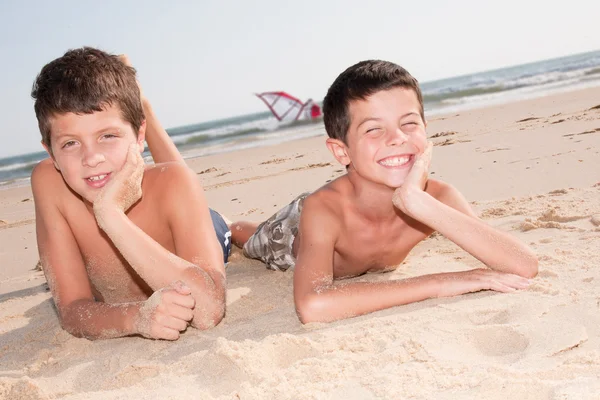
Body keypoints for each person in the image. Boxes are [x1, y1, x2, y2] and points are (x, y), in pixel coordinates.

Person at [231, 60, 538, 324]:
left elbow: (521, 264)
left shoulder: (438, 198)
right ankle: (228, 223)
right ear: (341, 152)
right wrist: (446, 281)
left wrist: (419, 203)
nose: (397, 138)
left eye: (409, 123)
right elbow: (312, 305)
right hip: (291, 231)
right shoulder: (324, 210)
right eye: (373, 129)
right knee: (247, 235)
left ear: (426, 128)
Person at [31, 47, 230, 340]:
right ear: (51, 153)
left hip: (199, 232)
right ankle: (134, 112)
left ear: (139, 135)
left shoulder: (174, 185)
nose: (91, 158)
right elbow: (73, 310)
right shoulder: (49, 182)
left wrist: (110, 215)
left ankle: (143, 108)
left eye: (107, 136)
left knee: (191, 191)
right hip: (163, 190)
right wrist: (136, 318)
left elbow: (208, 309)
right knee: (176, 179)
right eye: (70, 143)